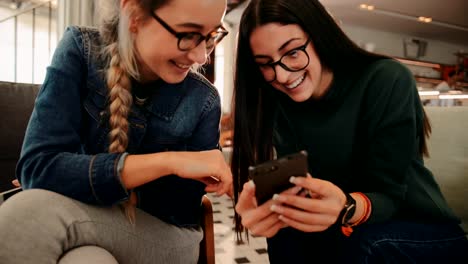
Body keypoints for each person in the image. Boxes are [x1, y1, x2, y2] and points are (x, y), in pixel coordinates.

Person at [231, 0, 468, 263]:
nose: (282, 76)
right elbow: (302, 187)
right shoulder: (281, 103)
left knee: (360, 244)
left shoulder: (386, 79)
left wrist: (345, 207)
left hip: (420, 229)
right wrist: (274, 207)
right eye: (265, 64)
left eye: (293, 52)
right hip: (350, 230)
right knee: (287, 234)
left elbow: (390, 197)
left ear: (319, 35)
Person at [0, 0, 232, 263]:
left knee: (26, 214)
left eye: (211, 36)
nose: (202, 56)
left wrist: (71, 178)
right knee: (86, 259)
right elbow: (38, 168)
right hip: (88, 225)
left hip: (169, 238)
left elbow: (178, 210)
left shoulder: (204, 100)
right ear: (133, 15)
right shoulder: (80, 50)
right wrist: (170, 162)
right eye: (188, 35)